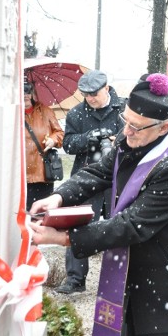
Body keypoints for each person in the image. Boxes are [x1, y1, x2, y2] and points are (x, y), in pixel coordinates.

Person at [29, 74, 168, 336]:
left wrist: (64, 237)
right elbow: (100, 172)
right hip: (140, 270)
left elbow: (130, 225)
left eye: (135, 126)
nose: (126, 131)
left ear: (164, 126)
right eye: (125, 121)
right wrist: (60, 197)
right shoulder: (135, 136)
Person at [58, 70, 125, 294]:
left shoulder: (124, 110)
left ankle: (122, 279)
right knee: (79, 225)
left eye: (94, 93)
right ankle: (75, 279)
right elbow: (67, 144)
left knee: (123, 226)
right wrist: (89, 137)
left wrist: (118, 139)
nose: (90, 98)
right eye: (85, 94)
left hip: (119, 176)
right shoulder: (77, 113)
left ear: (106, 88)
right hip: (88, 177)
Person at [23, 81, 64, 208]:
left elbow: (60, 133)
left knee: (41, 212)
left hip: (42, 172)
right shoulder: (11, 113)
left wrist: (53, 140)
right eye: (22, 91)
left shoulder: (45, 111)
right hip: (20, 173)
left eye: (28, 90)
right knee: (22, 212)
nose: (25, 94)